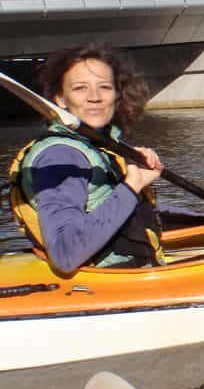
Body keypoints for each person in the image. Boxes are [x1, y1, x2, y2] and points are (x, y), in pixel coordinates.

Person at [8, 46, 166, 273]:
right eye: (80, 88)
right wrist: (132, 186)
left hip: (132, 270)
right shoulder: (61, 157)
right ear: (60, 100)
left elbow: (119, 209)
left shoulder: (100, 146)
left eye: (105, 87)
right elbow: (66, 253)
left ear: (116, 95)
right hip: (109, 283)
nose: (95, 97)